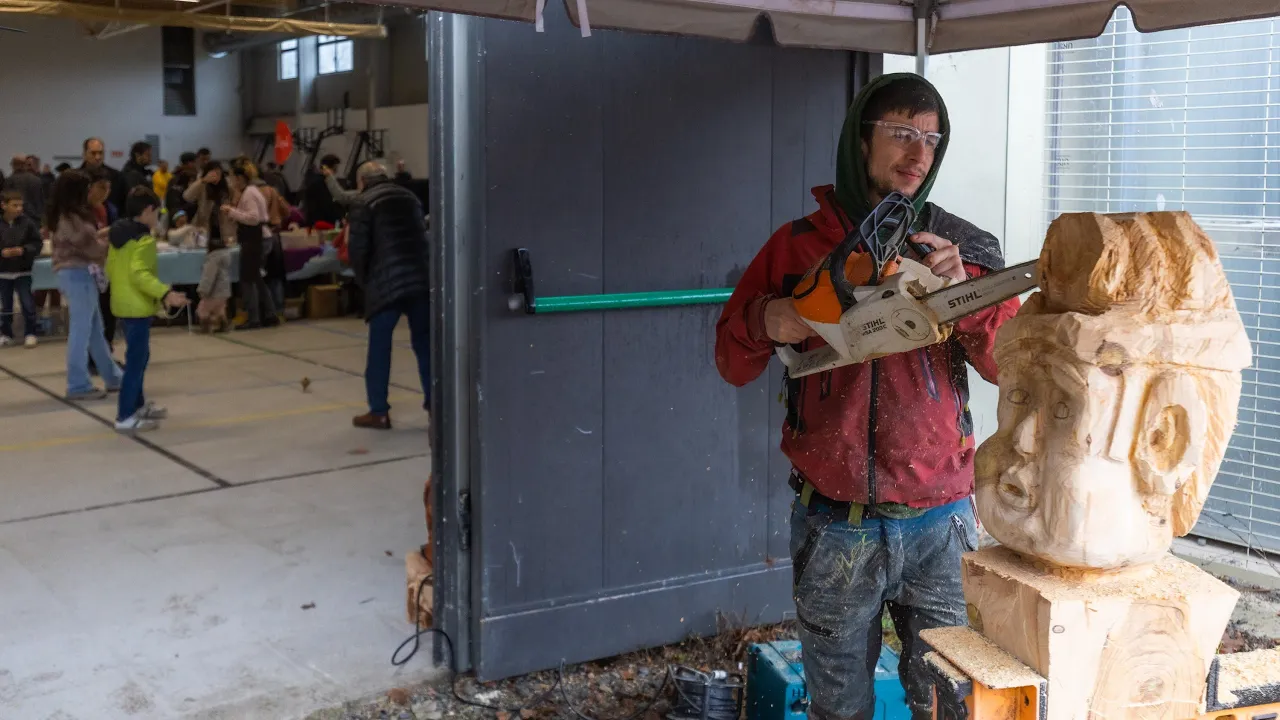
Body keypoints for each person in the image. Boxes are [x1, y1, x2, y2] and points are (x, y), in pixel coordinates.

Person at [713, 74, 1020, 720]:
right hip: (835, 524)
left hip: (941, 520)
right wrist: (778, 317)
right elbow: (731, 360)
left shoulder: (958, 248)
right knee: (838, 709)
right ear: (861, 140)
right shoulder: (798, 246)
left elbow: (1008, 364)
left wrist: (964, 295)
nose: (919, 155)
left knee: (953, 706)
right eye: (903, 134)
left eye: (932, 140)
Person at [346, 161, 431, 430]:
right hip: (420, 279)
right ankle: (436, 408)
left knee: (380, 348)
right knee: (427, 346)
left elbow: (357, 250)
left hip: (385, 283)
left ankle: (379, 412)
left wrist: (364, 283)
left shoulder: (362, 203)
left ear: (362, 181)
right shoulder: (410, 197)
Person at [106, 187, 188, 433]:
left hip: (122, 303)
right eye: (157, 213)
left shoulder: (118, 236)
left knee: (139, 358)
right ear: (147, 211)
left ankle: (137, 405)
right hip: (137, 306)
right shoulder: (144, 240)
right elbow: (139, 273)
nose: (158, 218)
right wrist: (165, 293)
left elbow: (110, 268)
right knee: (136, 362)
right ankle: (125, 416)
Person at [48, 170, 122, 400]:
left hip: (78, 273)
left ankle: (111, 376)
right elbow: (90, 248)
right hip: (77, 274)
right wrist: (113, 240)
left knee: (95, 331)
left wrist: (102, 235)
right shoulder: (70, 217)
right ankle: (77, 384)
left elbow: (88, 242)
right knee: (81, 330)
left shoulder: (67, 214)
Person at [222, 161, 277, 329]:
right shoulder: (250, 191)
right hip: (256, 238)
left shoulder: (250, 194)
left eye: (232, 178)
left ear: (239, 178)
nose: (231, 182)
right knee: (257, 279)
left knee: (248, 279)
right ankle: (270, 314)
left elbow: (253, 218)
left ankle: (254, 318)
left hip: (255, 239)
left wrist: (232, 212)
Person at [0, 191, 42, 347]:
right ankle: (6, 333)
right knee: (6, 305)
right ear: (3, 205)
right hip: (3, 273)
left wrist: (24, 250)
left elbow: (37, 243)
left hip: (23, 271)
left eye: (21, 205)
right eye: (15, 205)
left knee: (27, 303)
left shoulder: (28, 223)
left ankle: (31, 332)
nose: (19, 209)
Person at [196, 228, 232, 333]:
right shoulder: (225, 257)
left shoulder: (213, 259)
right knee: (220, 309)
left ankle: (205, 327)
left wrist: (202, 290)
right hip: (224, 291)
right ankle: (223, 325)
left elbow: (208, 277)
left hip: (214, 292)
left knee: (203, 309)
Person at [80, 136, 125, 212]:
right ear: (84, 154)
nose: (98, 157)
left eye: (101, 153)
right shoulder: (76, 177)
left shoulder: (116, 176)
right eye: (93, 153)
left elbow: (123, 204)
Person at [4, 155, 45, 222]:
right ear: (25, 165)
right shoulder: (36, 180)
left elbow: (5, 201)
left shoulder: (9, 180)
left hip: (15, 218)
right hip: (34, 218)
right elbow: (40, 202)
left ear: (14, 165)